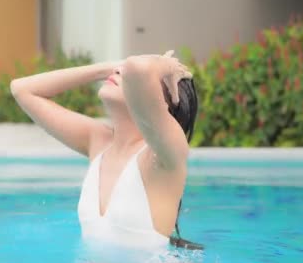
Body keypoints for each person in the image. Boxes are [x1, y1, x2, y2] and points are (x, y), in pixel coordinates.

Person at [10, 50, 202, 250]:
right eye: (120, 70)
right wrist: (106, 69)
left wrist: (166, 66)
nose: (121, 71)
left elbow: (139, 68)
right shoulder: (98, 142)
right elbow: (21, 89)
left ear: (163, 103)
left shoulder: (164, 157)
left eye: (127, 75)